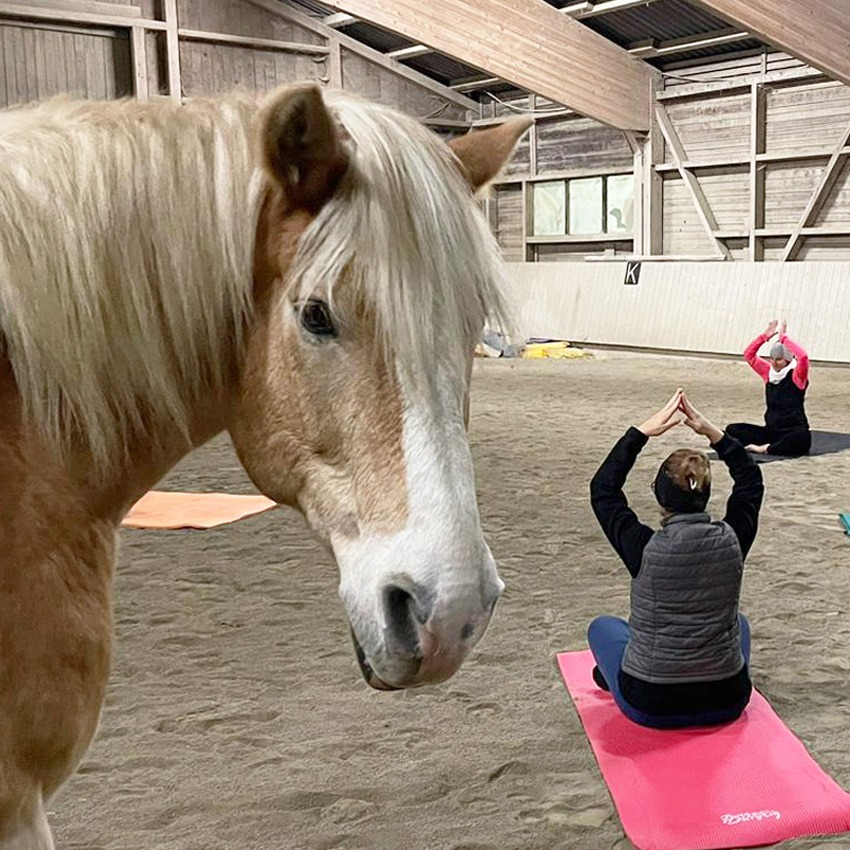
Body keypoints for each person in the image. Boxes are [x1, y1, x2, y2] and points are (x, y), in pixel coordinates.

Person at [587, 389, 764, 729]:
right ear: (707, 494)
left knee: (602, 627)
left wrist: (639, 434)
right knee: (739, 622)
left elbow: (603, 490)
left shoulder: (645, 547)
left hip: (651, 704)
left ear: (657, 494)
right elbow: (751, 481)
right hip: (728, 700)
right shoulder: (732, 540)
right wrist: (713, 433)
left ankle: (613, 676)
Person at [726, 320, 811, 456]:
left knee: (801, 437)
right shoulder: (769, 373)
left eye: (779, 359)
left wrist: (783, 338)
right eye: (772, 358)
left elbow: (804, 357)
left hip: (793, 431)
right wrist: (765, 336)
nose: (774, 363)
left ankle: (765, 449)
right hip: (771, 431)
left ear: (787, 360)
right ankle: (770, 445)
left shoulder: (797, 376)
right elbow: (749, 355)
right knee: (732, 429)